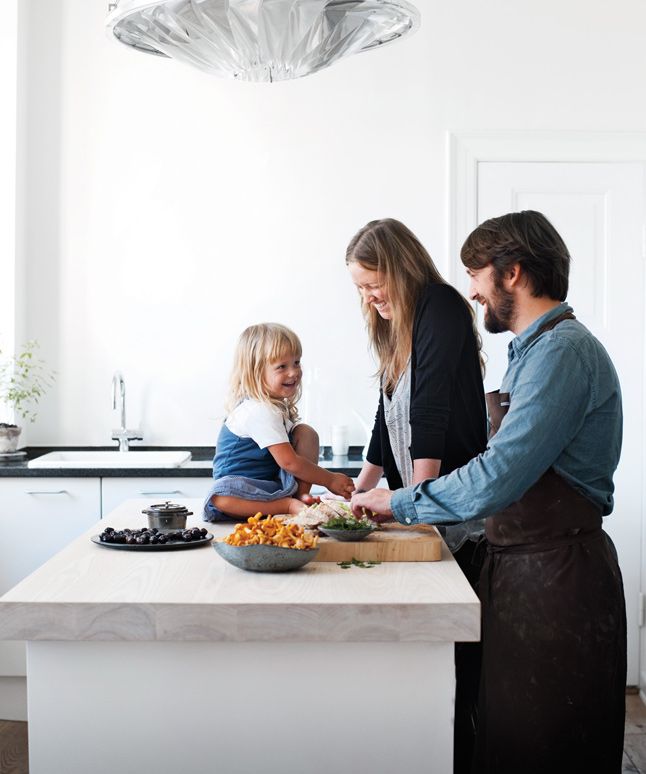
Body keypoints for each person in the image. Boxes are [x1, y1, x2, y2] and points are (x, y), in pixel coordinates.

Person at [351, 211, 627, 774]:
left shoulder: (562, 354)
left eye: (477, 274)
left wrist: (400, 501)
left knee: (548, 749)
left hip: (559, 582)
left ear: (513, 274)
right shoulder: (532, 352)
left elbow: (499, 474)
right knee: (508, 742)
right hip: (525, 574)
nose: (471, 290)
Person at [346, 218, 488, 774]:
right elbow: (389, 416)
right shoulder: (396, 325)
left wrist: (417, 502)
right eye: (359, 287)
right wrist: (355, 492)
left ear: (400, 268)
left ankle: (458, 754)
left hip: (454, 511)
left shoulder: (442, 307)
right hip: (422, 507)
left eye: (373, 282)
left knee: (452, 659)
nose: (369, 295)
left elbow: (429, 406)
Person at [204, 323, 354, 521]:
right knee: (219, 497)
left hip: (270, 484)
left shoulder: (273, 407)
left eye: (297, 362)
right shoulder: (258, 410)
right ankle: (288, 504)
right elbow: (289, 462)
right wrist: (330, 479)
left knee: (306, 433)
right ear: (256, 372)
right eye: (282, 367)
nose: (293, 372)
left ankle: (299, 496)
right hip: (239, 489)